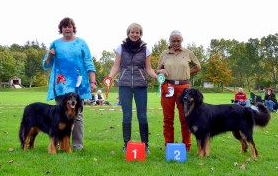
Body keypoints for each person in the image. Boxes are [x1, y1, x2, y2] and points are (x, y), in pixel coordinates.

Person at [42, 17, 97, 150]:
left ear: (73, 28)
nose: (67, 28)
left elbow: (89, 62)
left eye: (70, 26)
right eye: (64, 26)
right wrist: (49, 55)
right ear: (61, 29)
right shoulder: (55, 43)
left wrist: (93, 81)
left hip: (78, 85)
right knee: (59, 115)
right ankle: (60, 143)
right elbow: (45, 65)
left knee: (77, 116)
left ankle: (78, 145)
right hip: (61, 85)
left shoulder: (81, 43)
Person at [108, 22, 157, 153]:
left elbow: (148, 68)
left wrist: (156, 76)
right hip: (124, 85)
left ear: (140, 34)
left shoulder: (145, 49)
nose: (135, 35)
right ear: (128, 33)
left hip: (141, 86)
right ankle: (127, 144)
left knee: (142, 116)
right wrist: (110, 77)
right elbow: (116, 66)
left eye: (137, 32)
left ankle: (145, 144)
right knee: (127, 115)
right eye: (132, 32)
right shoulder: (121, 48)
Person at [156, 30, 201, 152]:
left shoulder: (188, 53)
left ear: (182, 41)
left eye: (178, 41)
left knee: (185, 118)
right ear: (169, 41)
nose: (176, 43)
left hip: (184, 88)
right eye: (173, 41)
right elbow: (157, 70)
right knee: (168, 118)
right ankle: (168, 145)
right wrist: (161, 71)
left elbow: (198, 66)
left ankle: (186, 146)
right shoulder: (164, 54)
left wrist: (187, 73)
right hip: (168, 87)